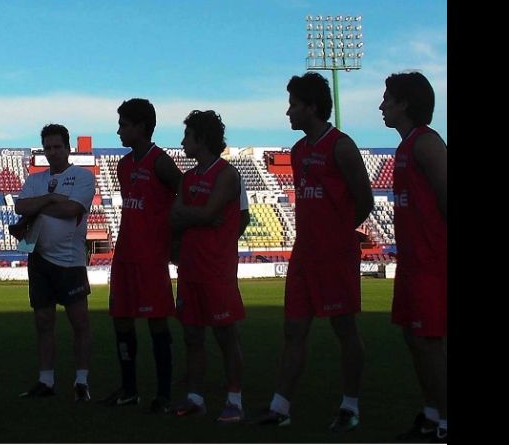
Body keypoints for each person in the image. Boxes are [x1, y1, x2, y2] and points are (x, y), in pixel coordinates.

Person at [257, 72, 373, 432]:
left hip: (334, 257)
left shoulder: (341, 145)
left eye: (293, 104)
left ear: (311, 106)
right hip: (304, 257)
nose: (288, 111)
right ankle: (280, 406)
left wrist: (337, 235)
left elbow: (365, 201)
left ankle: (349, 406)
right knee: (293, 330)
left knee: (345, 329)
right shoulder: (298, 151)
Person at [97, 99, 182, 413]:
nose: (119, 131)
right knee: (121, 320)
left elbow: (183, 191)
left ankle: (162, 394)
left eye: (124, 125)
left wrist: (173, 235)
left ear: (141, 127)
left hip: (150, 257)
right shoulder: (123, 165)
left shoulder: (160, 161)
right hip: (125, 255)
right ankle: (129, 389)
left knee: (157, 323)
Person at [379, 72, 447, 442]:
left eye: (387, 98)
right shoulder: (406, 147)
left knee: (428, 340)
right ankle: (432, 412)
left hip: (431, 262)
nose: (381, 105)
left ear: (405, 103)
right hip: (412, 262)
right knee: (413, 338)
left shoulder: (426, 144)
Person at [169, 110, 248, 423]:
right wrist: (198, 215)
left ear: (201, 139)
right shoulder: (188, 177)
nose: (182, 142)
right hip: (190, 268)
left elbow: (206, 213)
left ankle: (235, 400)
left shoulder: (227, 174)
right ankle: (195, 398)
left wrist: (195, 215)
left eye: (187, 136)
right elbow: (179, 216)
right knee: (192, 335)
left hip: (217, 269)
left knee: (226, 336)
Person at [15, 124, 96, 402]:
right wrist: (51, 198)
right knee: (43, 321)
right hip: (38, 259)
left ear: (68, 148)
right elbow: (20, 207)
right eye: (47, 147)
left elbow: (72, 210)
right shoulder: (36, 179)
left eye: (57, 147)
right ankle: (46, 380)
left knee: (80, 322)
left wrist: (40, 204)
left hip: (70, 261)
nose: (52, 152)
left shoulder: (82, 177)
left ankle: (81, 381)